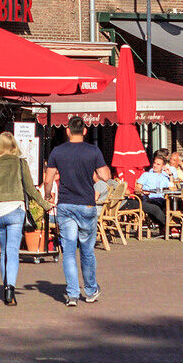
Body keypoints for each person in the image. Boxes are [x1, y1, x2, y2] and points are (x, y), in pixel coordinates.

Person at [0, 132, 49, 307]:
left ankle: (5, 287)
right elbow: (30, 189)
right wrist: (45, 204)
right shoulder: (20, 162)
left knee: (4, 252)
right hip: (16, 210)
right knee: (13, 251)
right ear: (13, 145)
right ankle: (10, 288)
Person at [44, 118, 108, 307]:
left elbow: (48, 179)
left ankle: (72, 294)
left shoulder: (58, 151)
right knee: (87, 251)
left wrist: (48, 195)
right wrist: (95, 177)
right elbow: (105, 176)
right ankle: (90, 290)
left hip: (65, 205)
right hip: (87, 205)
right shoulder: (93, 151)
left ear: (67, 130)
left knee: (69, 252)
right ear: (85, 131)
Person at [135, 154, 171, 231]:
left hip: (162, 200)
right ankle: (171, 227)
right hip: (150, 199)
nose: (155, 165)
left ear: (163, 166)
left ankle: (167, 227)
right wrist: (142, 191)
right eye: (154, 163)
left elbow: (173, 188)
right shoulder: (146, 175)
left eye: (158, 164)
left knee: (176, 206)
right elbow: (137, 188)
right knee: (156, 208)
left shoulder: (164, 177)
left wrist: (170, 175)